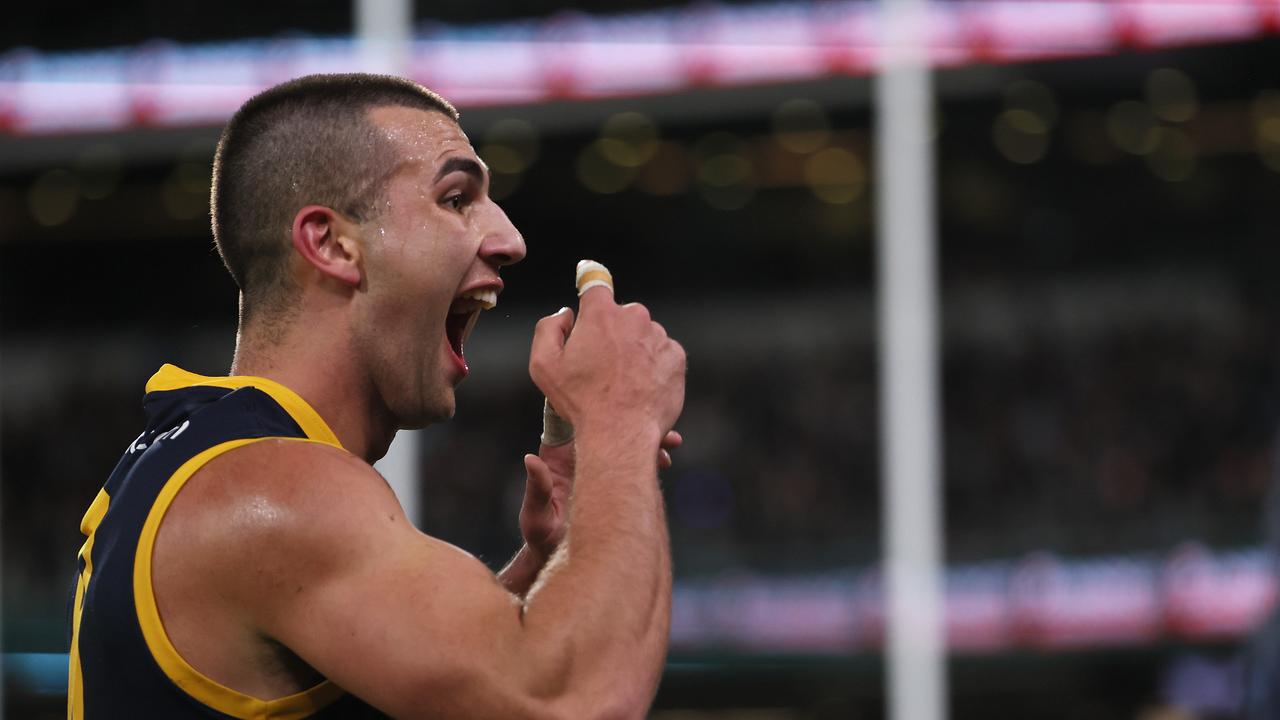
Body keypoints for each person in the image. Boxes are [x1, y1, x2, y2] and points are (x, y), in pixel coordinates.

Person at [67, 73, 687, 719]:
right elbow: (576, 705)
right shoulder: (273, 490)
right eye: (455, 198)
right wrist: (621, 416)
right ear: (332, 244)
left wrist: (552, 565)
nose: (509, 239)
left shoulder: (204, 460)